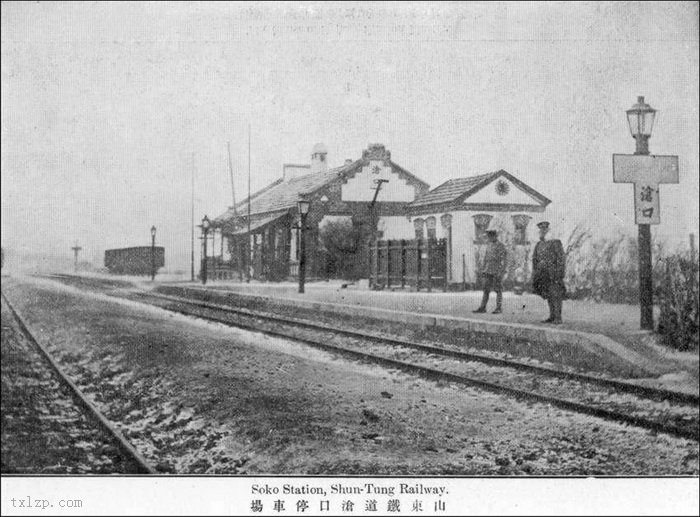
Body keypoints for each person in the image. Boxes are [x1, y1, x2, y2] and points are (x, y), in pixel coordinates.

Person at [532, 221, 566, 324]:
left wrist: (560, 272)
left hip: (553, 273)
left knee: (556, 294)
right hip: (543, 274)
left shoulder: (555, 242)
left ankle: (558, 317)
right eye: (541, 230)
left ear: (548, 230)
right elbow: (534, 259)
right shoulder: (539, 244)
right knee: (548, 295)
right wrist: (535, 272)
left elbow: (560, 258)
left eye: (544, 230)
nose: (542, 232)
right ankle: (552, 316)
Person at [473, 229, 507, 314]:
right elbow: (486, 258)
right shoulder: (489, 245)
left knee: (498, 290)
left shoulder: (500, 246)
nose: (489, 238)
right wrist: (484, 269)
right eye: (488, 236)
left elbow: (504, 260)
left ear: (495, 236)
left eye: (490, 236)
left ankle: (499, 308)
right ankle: (482, 307)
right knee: (486, 290)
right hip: (488, 270)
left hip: (496, 271)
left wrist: (501, 271)